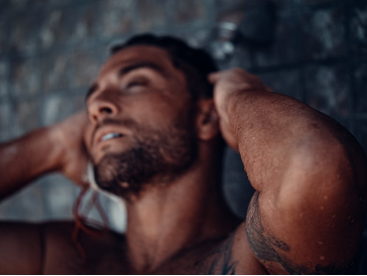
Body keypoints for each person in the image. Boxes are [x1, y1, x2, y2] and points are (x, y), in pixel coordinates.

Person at [0, 34, 366, 275]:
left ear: (207, 116)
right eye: (93, 97)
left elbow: (318, 163)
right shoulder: (64, 256)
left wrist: (237, 95)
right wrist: (51, 145)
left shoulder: (252, 259)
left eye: (135, 83)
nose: (97, 106)